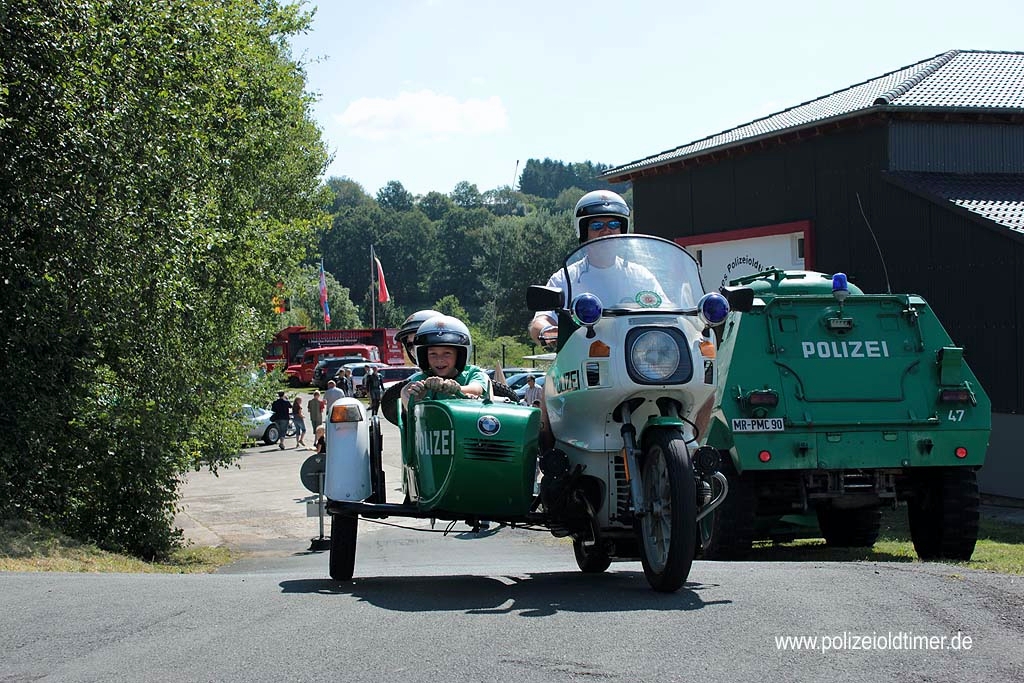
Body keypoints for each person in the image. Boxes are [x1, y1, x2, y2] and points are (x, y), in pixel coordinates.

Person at [530, 189, 643, 346]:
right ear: (584, 233)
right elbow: (540, 320)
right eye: (597, 226)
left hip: (633, 360)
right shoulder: (565, 278)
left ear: (622, 230)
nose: (606, 231)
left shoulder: (640, 276)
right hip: (582, 361)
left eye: (614, 224)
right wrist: (547, 331)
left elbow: (667, 309)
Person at [401, 315, 489, 411]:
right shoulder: (422, 379)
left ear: (460, 356)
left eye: (447, 353)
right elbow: (407, 393)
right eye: (433, 354)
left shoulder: (473, 373)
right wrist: (418, 395)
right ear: (424, 356)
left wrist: (457, 389)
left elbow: (477, 389)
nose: (439, 359)